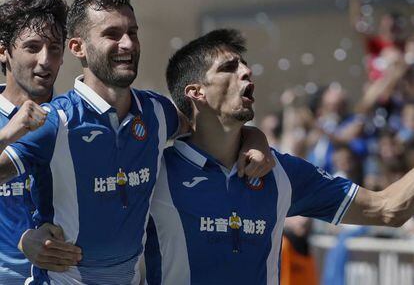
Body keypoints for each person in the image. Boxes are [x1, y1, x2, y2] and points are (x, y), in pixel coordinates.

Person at [20, 28, 414, 284]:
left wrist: (257, 138)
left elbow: (388, 210)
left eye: (245, 65)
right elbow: (80, 214)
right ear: (196, 93)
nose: (247, 73)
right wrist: (32, 239)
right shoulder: (152, 171)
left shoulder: (279, 171)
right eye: (230, 67)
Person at [0, 0, 273, 284]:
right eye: (112, 34)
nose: (127, 43)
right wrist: (24, 238)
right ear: (78, 47)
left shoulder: (157, 112)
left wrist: (256, 138)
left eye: (132, 32)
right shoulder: (57, 121)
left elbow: (209, 125)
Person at [0, 0, 70, 284]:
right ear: (3, 50)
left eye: (54, 48)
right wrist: (7, 134)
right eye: (32, 46)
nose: (45, 60)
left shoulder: (74, 121)